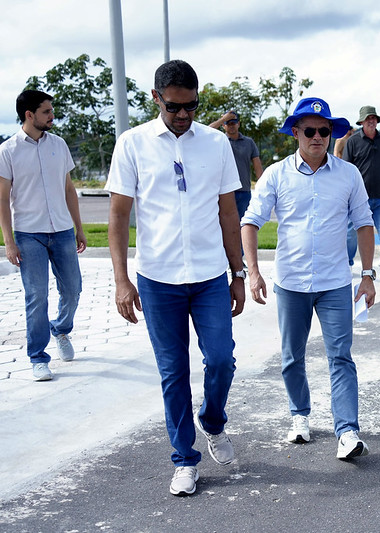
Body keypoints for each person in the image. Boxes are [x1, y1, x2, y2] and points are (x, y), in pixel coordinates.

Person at [106, 60, 245, 496]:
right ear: (155, 99)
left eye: (191, 106)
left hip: (208, 276)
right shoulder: (132, 144)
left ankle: (213, 422)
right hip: (157, 277)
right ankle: (185, 459)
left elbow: (228, 211)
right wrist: (121, 279)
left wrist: (238, 272)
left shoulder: (216, 144)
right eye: (174, 107)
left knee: (221, 358)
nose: (183, 115)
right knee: (174, 372)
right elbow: (117, 215)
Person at [241, 97, 375, 460]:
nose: (318, 137)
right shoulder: (276, 174)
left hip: (334, 282)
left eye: (325, 131)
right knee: (291, 357)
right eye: (310, 130)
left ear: (332, 134)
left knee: (341, 357)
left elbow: (364, 224)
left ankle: (347, 431)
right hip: (291, 282)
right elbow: (250, 221)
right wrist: (252, 272)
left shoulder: (348, 175)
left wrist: (367, 275)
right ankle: (299, 414)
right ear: (296, 133)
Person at [0, 89, 86, 381]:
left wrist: (79, 227)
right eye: (47, 111)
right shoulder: (8, 150)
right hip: (28, 234)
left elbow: (68, 189)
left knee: (73, 290)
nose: (52, 115)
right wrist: (8, 242)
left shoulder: (58, 145)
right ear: (29, 115)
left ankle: (61, 330)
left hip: (62, 231)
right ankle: (38, 357)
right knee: (37, 296)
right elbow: (2, 199)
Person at [342, 106, 380, 289]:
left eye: (374, 118)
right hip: (358, 200)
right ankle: (347, 268)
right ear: (361, 122)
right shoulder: (352, 142)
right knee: (351, 235)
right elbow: (345, 169)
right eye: (368, 118)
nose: (371, 121)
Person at [208, 110, 264, 219]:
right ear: (224, 126)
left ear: (238, 124)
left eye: (233, 123)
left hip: (244, 190)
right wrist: (224, 119)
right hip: (224, 190)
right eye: (228, 124)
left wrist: (262, 185)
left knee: (243, 225)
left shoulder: (249, 142)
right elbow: (206, 131)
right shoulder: (219, 140)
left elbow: (257, 165)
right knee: (224, 224)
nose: (231, 126)